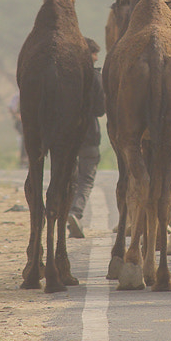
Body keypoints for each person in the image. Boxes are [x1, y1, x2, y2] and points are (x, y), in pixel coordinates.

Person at [68, 38, 106, 239]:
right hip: (89, 135)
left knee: (70, 177)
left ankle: (64, 215)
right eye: (94, 54)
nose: (96, 58)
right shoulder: (96, 77)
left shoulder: (65, 75)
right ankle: (75, 213)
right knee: (86, 179)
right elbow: (100, 110)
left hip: (67, 137)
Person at [9, 91, 27, 169]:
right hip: (21, 122)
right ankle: (24, 159)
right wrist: (18, 116)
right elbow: (12, 108)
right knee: (25, 135)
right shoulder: (17, 97)